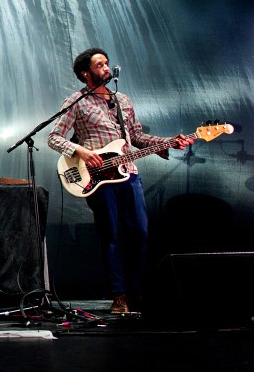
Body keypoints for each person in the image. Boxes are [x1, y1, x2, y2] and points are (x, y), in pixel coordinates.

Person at [47, 47, 193, 314]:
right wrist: (80, 151)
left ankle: (136, 292)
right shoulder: (77, 102)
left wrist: (169, 142)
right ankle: (119, 296)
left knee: (140, 233)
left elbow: (136, 137)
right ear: (86, 73)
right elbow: (54, 137)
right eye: (99, 65)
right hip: (98, 179)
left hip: (129, 173)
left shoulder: (122, 100)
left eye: (106, 63)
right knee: (110, 235)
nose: (106, 68)